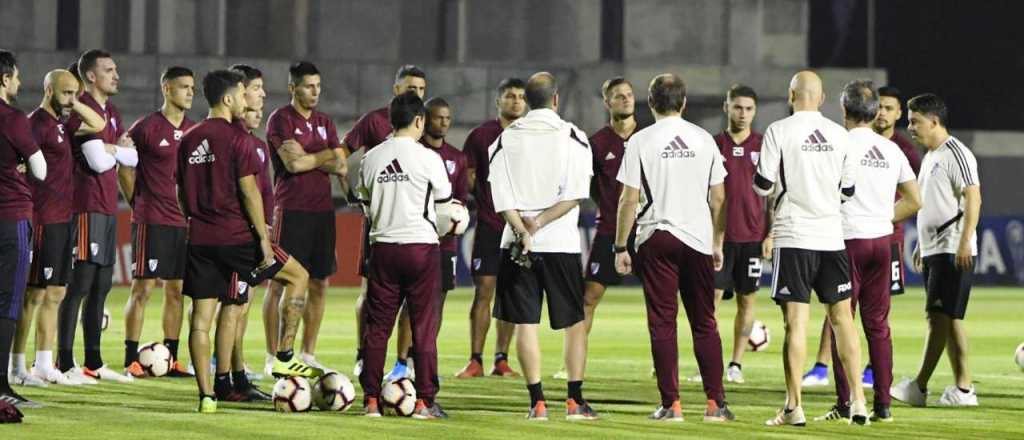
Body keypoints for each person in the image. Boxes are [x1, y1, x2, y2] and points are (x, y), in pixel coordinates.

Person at [178, 70, 316, 414]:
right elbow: (249, 192)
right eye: (242, 95)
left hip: (199, 238)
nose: (246, 100)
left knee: (201, 319)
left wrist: (194, 222)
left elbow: (180, 192)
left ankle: (208, 395)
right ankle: (283, 356)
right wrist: (264, 244)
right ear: (228, 99)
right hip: (237, 238)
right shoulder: (237, 138)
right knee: (292, 279)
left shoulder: (188, 138)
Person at [613, 73, 735, 423]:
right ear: (683, 103)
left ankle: (672, 405)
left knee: (662, 324)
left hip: (656, 237)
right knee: (705, 323)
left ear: (650, 103)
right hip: (697, 239)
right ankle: (716, 404)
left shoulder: (640, 141)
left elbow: (628, 199)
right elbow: (720, 197)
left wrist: (621, 245)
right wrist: (717, 242)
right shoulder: (704, 140)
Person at [755, 71, 868, 426]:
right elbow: (848, 192)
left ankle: (793, 407)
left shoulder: (778, 131)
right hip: (831, 238)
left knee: (796, 325)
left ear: (792, 95)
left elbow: (761, 185)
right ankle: (860, 403)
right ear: (820, 99)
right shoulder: (840, 135)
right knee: (844, 321)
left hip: (794, 237)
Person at [488, 72, 596, 421]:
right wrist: (542, 222)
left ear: (528, 101)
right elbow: (576, 194)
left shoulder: (505, 139)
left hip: (518, 244)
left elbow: (501, 198)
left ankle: (536, 403)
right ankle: (575, 401)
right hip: (561, 243)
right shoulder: (574, 136)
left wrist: (523, 229)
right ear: (555, 99)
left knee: (525, 323)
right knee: (574, 323)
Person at [804, 84, 926, 388]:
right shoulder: (893, 149)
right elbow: (915, 200)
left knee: (841, 318)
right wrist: (881, 216)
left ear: (844, 111)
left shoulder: (836, 144)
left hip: (846, 242)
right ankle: (883, 403)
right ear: (874, 113)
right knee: (879, 325)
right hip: (882, 242)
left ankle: (845, 401)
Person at [355, 91, 452, 419]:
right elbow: (444, 207)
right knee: (423, 325)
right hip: (421, 248)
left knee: (377, 327)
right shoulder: (429, 158)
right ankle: (425, 401)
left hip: (383, 247)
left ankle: (370, 400)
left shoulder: (371, 158)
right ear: (420, 121)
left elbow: (365, 204)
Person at [13, 69, 104, 387]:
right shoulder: (35, 123)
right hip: (43, 219)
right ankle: (17, 367)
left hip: (63, 218)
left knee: (56, 292)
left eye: (75, 93)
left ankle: (43, 364)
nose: (72, 99)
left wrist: (75, 102)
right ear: (48, 89)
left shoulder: (62, 125)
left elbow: (99, 125)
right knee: (33, 295)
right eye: (66, 93)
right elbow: (17, 158)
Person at [891, 93, 982, 408]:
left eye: (915, 121)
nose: (910, 127)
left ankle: (919, 385)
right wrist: (922, 244)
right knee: (950, 320)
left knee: (937, 318)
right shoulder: (931, 156)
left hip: (952, 249)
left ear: (934, 121)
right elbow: (933, 205)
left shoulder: (957, 153)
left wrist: (964, 241)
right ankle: (964, 390)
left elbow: (973, 198)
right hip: (935, 248)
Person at [339, 64, 426, 377]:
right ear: (396, 89)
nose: (414, 93)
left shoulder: (423, 124)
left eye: (419, 89)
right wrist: (351, 195)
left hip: (417, 224)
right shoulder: (375, 121)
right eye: (409, 87)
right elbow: (341, 155)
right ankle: (363, 352)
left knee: (414, 299)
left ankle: (406, 360)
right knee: (370, 292)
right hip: (381, 224)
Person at [58, 49, 137, 384]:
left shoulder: (113, 112)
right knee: (80, 285)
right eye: (109, 69)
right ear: (90, 76)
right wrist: (117, 152)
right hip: (86, 205)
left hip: (106, 206)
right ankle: (64, 362)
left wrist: (115, 150)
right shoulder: (83, 113)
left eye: (115, 68)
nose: (116, 75)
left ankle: (94, 361)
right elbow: (99, 162)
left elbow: (133, 158)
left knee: (102, 285)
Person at [262, 61, 345, 375]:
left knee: (320, 283)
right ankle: (274, 356)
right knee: (278, 283)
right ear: (292, 87)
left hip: (323, 211)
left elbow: (340, 165)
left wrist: (313, 156)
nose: (315, 92)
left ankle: (308, 354)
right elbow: (293, 166)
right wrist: (325, 156)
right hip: (291, 210)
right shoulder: (280, 120)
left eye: (318, 86)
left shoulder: (325, 121)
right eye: (309, 86)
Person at [383, 97, 469, 382]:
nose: (444, 122)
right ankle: (400, 362)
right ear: (423, 120)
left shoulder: (457, 158)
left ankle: (423, 360)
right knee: (409, 304)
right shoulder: (413, 153)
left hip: (445, 246)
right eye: (438, 117)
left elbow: (459, 203)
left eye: (448, 117)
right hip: (416, 241)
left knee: (436, 306)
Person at [121, 66, 196, 378]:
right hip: (152, 220)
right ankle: (130, 359)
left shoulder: (195, 130)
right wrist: (137, 203)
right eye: (183, 87)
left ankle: (173, 357)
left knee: (177, 291)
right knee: (143, 289)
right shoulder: (147, 127)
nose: (190, 92)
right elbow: (124, 168)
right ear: (167, 89)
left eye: (192, 87)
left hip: (182, 224)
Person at [455, 78, 525, 379]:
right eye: (510, 96)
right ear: (498, 101)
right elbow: (468, 177)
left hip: (520, 227)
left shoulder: (531, 136)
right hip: (489, 224)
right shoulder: (481, 136)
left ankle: (501, 359)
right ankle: (475, 360)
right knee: (484, 290)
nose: (516, 102)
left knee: (510, 293)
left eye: (521, 97)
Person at [0, 49, 48, 408]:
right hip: (10, 215)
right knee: (8, 301)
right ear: (4, 79)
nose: (18, 82)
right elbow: (41, 169)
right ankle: (1, 386)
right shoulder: (13, 118)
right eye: (15, 76)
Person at [711, 84, 766, 385]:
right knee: (711, 302)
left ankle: (736, 364)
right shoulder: (713, 145)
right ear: (726, 107)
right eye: (737, 107)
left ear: (754, 111)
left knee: (747, 302)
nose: (742, 114)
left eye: (748, 109)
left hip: (753, 238)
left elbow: (772, 195)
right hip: (719, 239)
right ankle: (709, 363)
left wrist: (770, 236)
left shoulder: (764, 145)